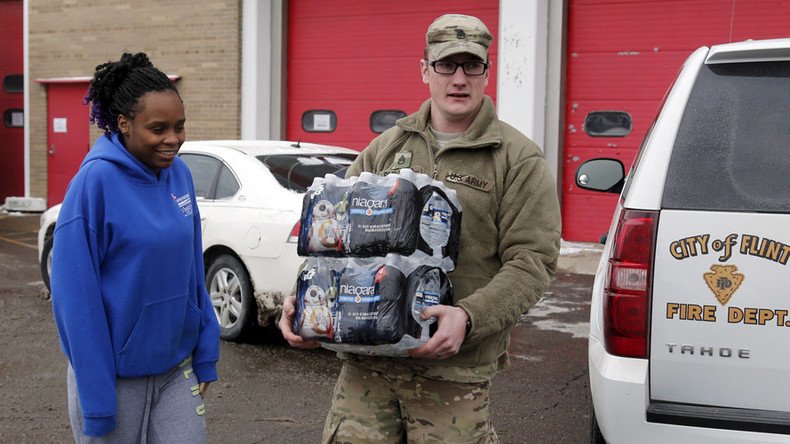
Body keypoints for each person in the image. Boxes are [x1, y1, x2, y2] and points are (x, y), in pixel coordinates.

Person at [279, 13, 561, 443]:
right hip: (367, 366)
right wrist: (304, 304)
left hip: (453, 372)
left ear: (488, 71)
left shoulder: (517, 159)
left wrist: (469, 316)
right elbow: (333, 243)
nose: (459, 78)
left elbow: (532, 261)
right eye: (446, 65)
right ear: (425, 69)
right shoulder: (387, 146)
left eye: (472, 65)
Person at [50, 52, 220, 443]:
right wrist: (96, 399)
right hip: (115, 378)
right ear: (123, 123)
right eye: (158, 128)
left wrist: (206, 353)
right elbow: (76, 301)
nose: (173, 139)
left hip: (176, 369)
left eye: (179, 127)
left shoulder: (178, 174)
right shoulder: (94, 185)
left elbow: (193, 268)